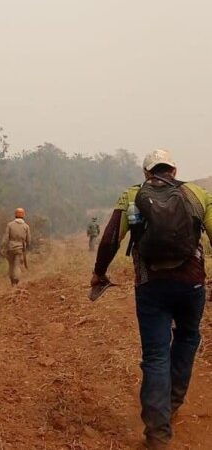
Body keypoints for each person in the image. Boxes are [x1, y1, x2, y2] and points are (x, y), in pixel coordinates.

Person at [90, 149, 212, 449]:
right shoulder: (198, 193)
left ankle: (158, 433)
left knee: (156, 354)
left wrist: (99, 274)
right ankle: (173, 401)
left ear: (147, 173)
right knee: (186, 338)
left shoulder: (133, 195)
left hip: (151, 285)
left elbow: (109, 239)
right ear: (174, 169)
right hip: (192, 284)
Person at [1, 208, 32, 286]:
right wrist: (27, 247)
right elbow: (28, 240)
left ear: (15, 215)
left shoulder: (10, 225)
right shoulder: (26, 226)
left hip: (10, 248)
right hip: (20, 249)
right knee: (17, 265)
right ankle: (16, 280)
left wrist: (3, 247)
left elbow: (6, 238)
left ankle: (12, 281)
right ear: (23, 215)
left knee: (11, 265)